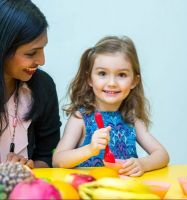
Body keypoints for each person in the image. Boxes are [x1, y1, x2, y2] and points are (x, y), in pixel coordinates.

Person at [53, 36, 169, 176]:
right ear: (89, 78)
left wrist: (143, 164)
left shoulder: (132, 119)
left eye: (121, 75)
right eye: (102, 73)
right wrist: (90, 149)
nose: (112, 83)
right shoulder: (80, 118)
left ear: (134, 81)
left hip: (124, 192)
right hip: (90, 190)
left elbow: (162, 155)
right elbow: (58, 160)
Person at [0, 0, 61, 168]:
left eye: (43, 48)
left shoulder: (43, 86)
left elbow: (48, 156)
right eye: (31, 53)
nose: (42, 60)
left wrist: (29, 167)